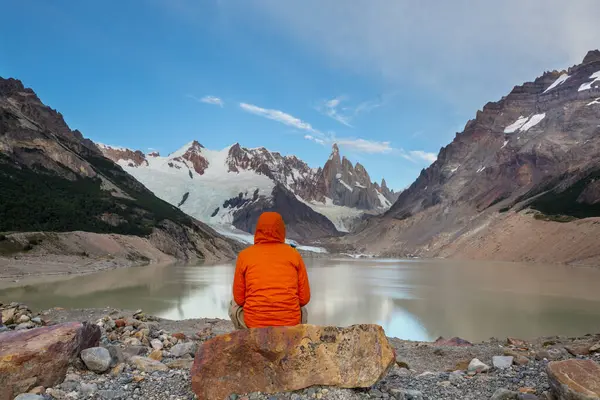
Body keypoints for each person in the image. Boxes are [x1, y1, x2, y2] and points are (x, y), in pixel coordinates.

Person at [228, 211, 310, 329]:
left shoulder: (244, 256)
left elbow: (239, 300)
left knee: (233, 304)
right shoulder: (294, 255)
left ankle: (246, 336)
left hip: (254, 325)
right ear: (281, 230)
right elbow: (304, 299)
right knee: (302, 308)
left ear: (258, 230)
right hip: (290, 325)